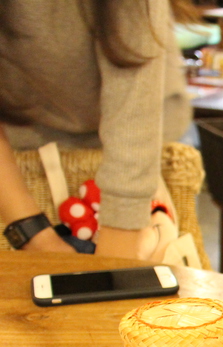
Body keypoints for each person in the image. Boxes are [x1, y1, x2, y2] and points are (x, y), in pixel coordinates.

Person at [0, 0, 194, 257]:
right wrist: (34, 236)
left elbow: (133, 116)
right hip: (17, 161)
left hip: (139, 152)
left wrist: (112, 266)